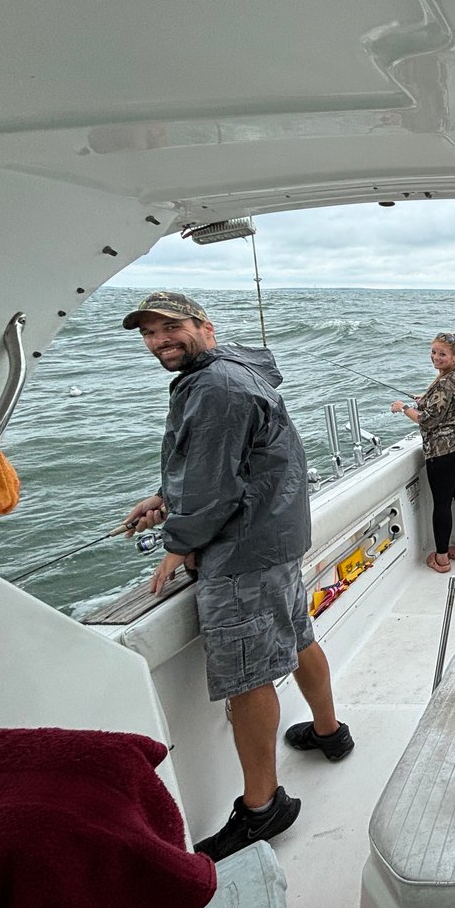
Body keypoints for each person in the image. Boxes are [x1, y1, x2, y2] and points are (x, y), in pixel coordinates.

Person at [120, 291, 353, 862]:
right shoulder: (235, 370)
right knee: (298, 636)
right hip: (274, 535)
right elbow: (224, 462)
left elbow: (215, 486)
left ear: (205, 325)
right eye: (148, 333)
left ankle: (261, 806)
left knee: (250, 677)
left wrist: (180, 542)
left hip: (245, 552)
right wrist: (165, 497)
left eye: (170, 327)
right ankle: (329, 731)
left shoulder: (217, 387)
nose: (159, 341)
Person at [391, 332, 455, 573]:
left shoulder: (445, 381)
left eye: (442, 354)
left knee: (442, 503)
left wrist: (404, 407)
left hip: (445, 451)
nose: (436, 357)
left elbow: (427, 421)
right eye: (433, 352)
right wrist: (425, 399)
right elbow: (447, 406)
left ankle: (441, 559)